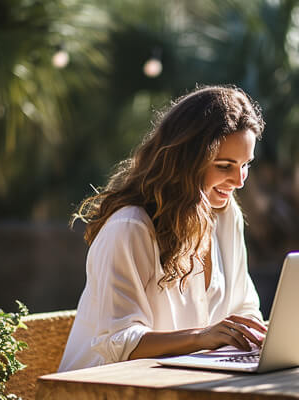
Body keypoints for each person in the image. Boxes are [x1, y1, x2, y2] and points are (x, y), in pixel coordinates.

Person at [58, 85, 268, 372]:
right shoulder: (130, 227)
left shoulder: (226, 216)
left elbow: (244, 309)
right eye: (224, 166)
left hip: (185, 385)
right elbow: (118, 343)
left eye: (245, 165)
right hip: (103, 389)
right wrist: (201, 338)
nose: (239, 180)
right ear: (186, 161)